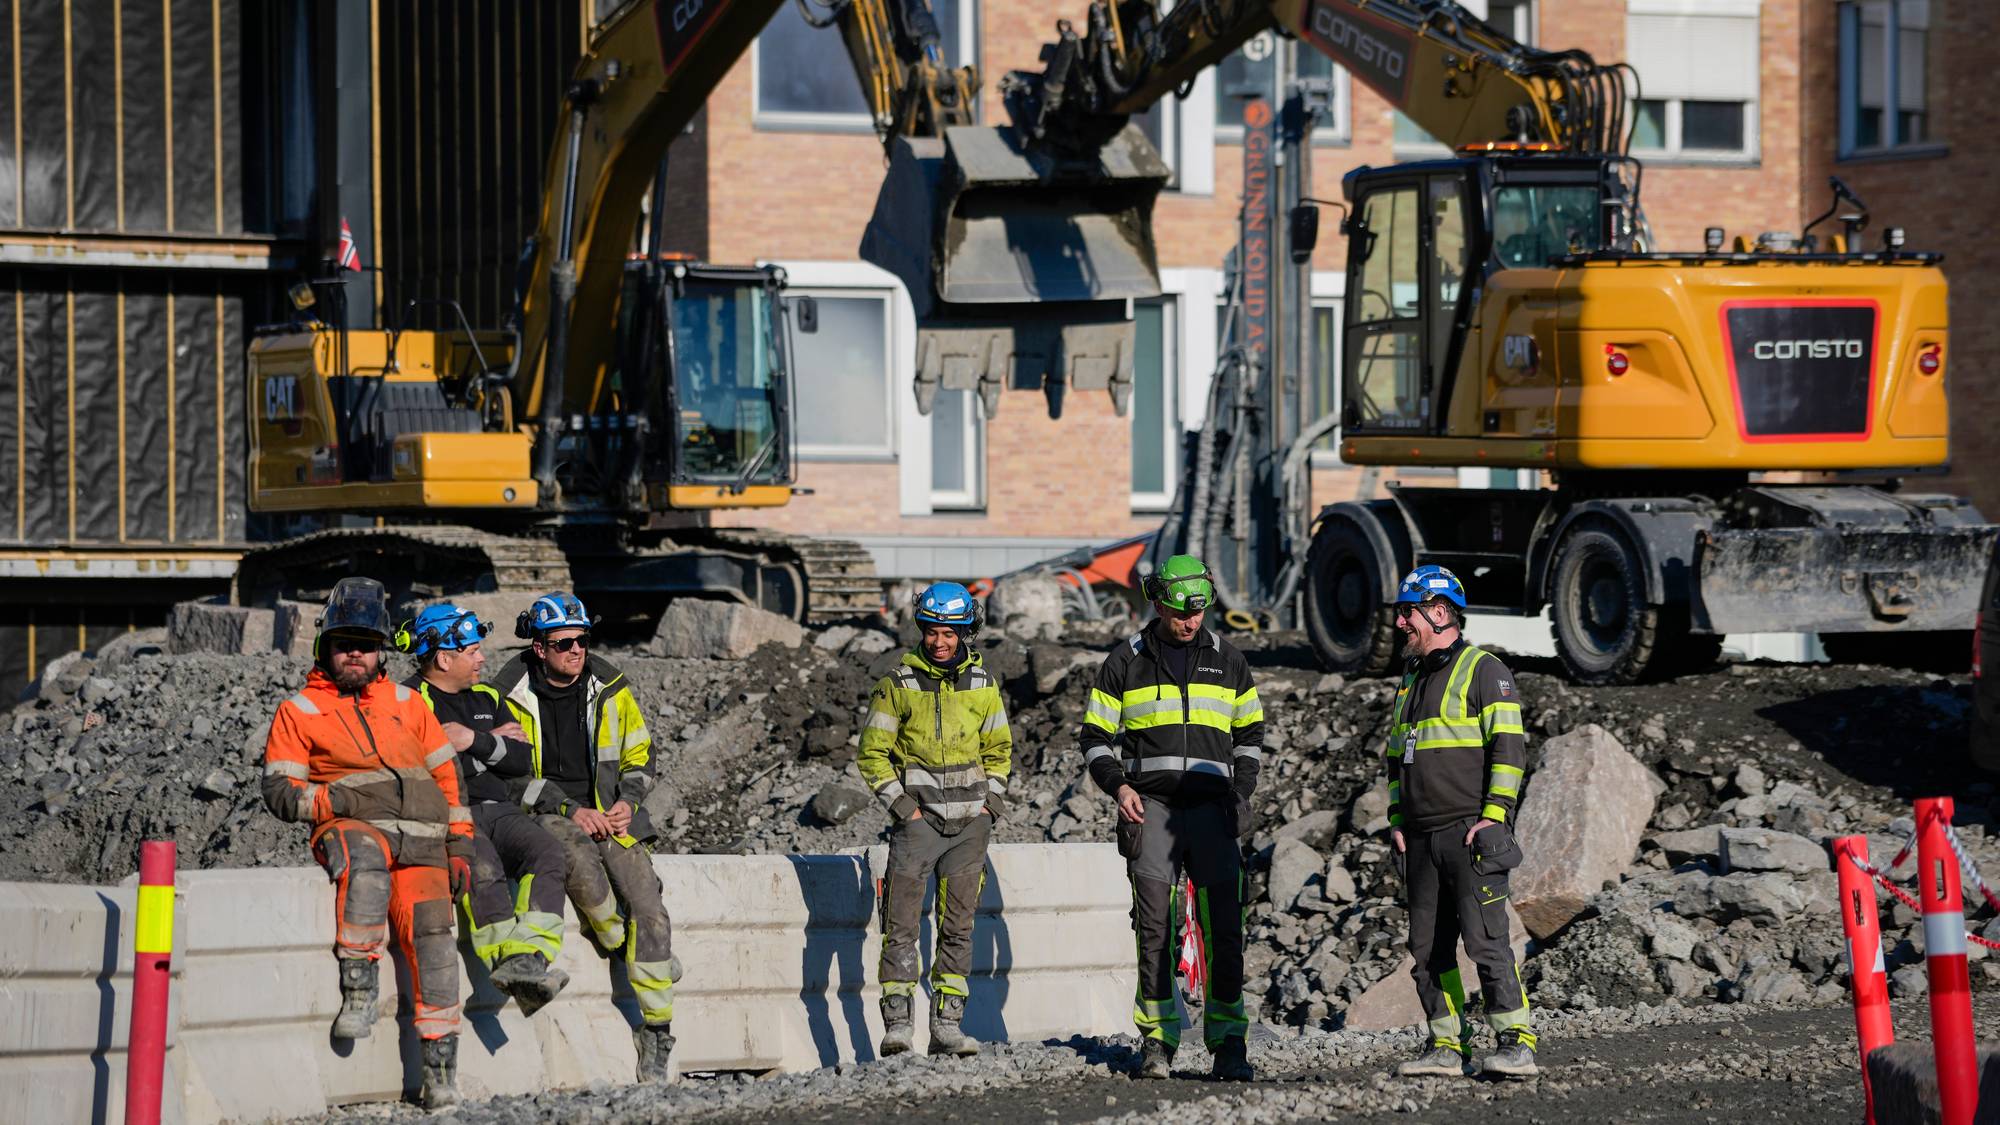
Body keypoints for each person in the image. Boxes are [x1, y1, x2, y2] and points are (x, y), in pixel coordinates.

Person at [260, 577, 473, 1109]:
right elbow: (280, 791)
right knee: (365, 864)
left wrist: (462, 843)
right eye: (343, 643)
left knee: (435, 946)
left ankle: (440, 1072)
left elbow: (449, 778)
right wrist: (339, 804)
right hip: (353, 829)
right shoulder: (300, 710)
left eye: (366, 644)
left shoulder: (408, 702)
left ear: (382, 651)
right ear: (324, 648)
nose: (355, 653)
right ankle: (359, 988)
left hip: (423, 844)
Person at [1080, 554, 1264, 1082]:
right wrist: (1118, 786)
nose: (1190, 622)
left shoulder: (1229, 659)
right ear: (1158, 601)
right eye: (1181, 612)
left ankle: (1229, 1041)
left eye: (1199, 612)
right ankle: (1157, 1041)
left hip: (1212, 812)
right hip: (1152, 811)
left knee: (1224, 927)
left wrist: (1241, 792)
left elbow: (1250, 735)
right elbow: (1094, 737)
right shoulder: (1125, 661)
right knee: (1154, 927)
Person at [492, 592, 682, 1084]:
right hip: (546, 810)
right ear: (539, 648)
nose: (576, 651)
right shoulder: (506, 694)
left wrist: (628, 804)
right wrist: (570, 809)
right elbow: (506, 776)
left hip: (611, 815)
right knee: (583, 874)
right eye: (563, 644)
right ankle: (625, 947)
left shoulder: (609, 685)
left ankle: (657, 1032)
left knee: (649, 906)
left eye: (582, 641)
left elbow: (641, 753)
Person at [1384, 565, 1536, 1079]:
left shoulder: (1484, 669)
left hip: (1470, 834)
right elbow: (1393, 759)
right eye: (1402, 612)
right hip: (1421, 840)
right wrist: (1398, 819)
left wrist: (1494, 818)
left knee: (1485, 941)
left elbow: (1510, 750)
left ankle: (1516, 1042)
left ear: (1440, 612)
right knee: (1426, 950)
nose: (1401, 622)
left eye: (1409, 612)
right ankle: (1447, 1046)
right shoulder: (1409, 680)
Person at [857, 581, 1013, 1058]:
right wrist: (904, 808)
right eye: (932, 631)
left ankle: (947, 1026)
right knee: (901, 924)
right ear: (921, 630)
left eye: (950, 632)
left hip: (971, 826)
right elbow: (872, 754)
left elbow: (1000, 751)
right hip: (918, 824)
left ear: (966, 632)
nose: (940, 641)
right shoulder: (898, 685)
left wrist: (992, 805)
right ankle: (898, 1026)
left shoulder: (983, 687)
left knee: (958, 927)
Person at [398, 603, 570, 1015]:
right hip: (453, 815)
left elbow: (520, 760)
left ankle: (529, 956)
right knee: (485, 866)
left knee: (549, 853)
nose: (481, 658)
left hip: (502, 809)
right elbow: (426, 771)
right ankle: (505, 961)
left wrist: (471, 740)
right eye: (472, 651)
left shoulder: (489, 694)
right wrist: (491, 743)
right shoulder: (408, 701)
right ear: (444, 657)